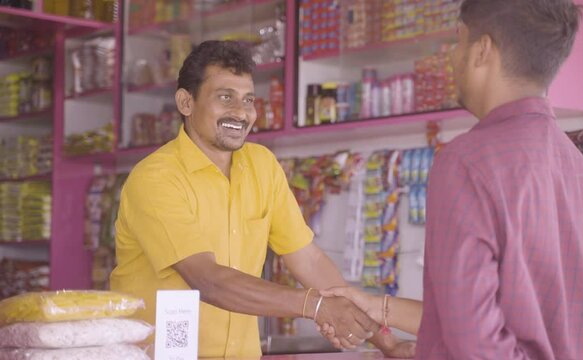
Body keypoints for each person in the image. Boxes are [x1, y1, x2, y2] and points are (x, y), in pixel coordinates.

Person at [322, 0, 583, 359]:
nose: (450, 56)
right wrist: (388, 316)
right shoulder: (582, 175)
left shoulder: (467, 162)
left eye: (458, 40)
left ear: (482, 50)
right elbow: (527, 326)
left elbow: (475, 345)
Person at [109, 40, 412, 358]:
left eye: (248, 100)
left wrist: (386, 342)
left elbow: (307, 260)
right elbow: (209, 281)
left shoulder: (262, 165)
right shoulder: (157, 178)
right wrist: (316, 306)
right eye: (225, 97)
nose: (240, 113)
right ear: (186, 102)